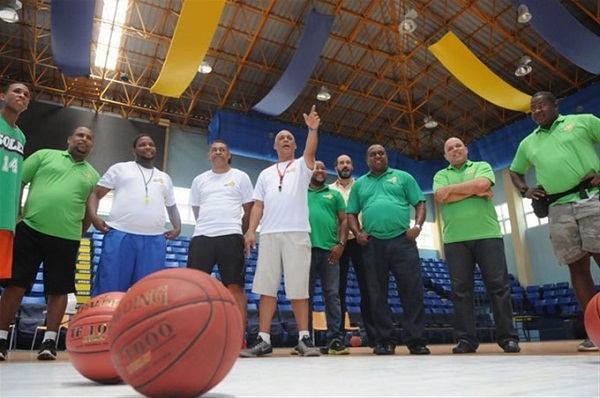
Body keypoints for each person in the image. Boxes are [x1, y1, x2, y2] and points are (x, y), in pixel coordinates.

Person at [509, 91, 600, 352]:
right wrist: (524, 190)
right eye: (532, 108)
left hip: (590, 198)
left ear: (555, 106)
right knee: (577, 268)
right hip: (557, 208)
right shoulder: (528, 143)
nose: (537, 111)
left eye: (541, 105)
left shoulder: (582, 121)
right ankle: (595, 331)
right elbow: (515, 171)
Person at [0, 126, 99, 361]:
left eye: (88, 137)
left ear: (92, 145)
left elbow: (89, 211)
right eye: (80, 135)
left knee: (59, 289)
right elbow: (18, 181)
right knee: (16, 285)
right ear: (69, 138)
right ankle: (1, 338)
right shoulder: (44, 155)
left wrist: (77, 232)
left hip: (66, 238)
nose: (84, 140)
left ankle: (50, 342)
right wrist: (17, 215)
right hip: (30, 230)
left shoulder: (93, 176)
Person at [240, 105, 321, 357]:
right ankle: (263, 340)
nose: (285, 140)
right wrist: (251, 231)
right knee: (266, 288)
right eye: (280, 138)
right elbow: (258, 205)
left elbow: (311, 150)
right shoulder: (264, 174)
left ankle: (304, 339)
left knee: (299, 288)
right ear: (274, 147)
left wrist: (311, 129)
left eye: (289, 138)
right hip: (270, 234)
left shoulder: (303, 165)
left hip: (297, 233)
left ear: (295, 146)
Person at [433, 137, 520, 354]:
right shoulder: (440, 175)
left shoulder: (482, 167)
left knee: (498, 288)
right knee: (461, 292)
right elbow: (441, 196)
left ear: (466, 149)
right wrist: (473, 190)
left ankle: (508, 338)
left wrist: (458, 191)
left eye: (458, 146)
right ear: (445, 156)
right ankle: (466, 341)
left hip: (487, 235)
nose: (455, 150)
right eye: (450, 149)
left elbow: (482, 184)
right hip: (455, 240)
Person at [346, 144, 429, 355]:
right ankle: (385, 341)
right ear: (367, 160)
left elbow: (420, 203)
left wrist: (417, 227)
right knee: (376, 294)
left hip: (403, 242)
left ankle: (417, 341)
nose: (377, 156)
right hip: (373, 243)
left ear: (386, 157)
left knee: (411, 292)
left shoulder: (403, 177)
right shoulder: (359, 184)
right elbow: (351, 214)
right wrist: (357, 234)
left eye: (381, 153)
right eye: (372, 154)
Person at [87, 134, 182, 297]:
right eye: (142, 144)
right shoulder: (120, 168)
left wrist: (178, 226)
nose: (147, 147)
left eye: (151, 144)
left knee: (149, 292)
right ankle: (107, 322)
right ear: (134, 150)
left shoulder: (164, 178)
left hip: (154, 239)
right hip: (121, 234)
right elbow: (96, 194)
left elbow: (172, 206)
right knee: (111, 287)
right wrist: (94, 217)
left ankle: (143, 323)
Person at [187, 140, 254, 340]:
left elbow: (249, 210)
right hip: (202, 237)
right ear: (209, 155)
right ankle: (193, 336)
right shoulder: (199, 180)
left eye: (222, 150)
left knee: (235, 287)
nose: (218, 152)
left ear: (229, 155)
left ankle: (238, 338)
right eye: (214, 150)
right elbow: (196, 210)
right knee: (195, 288)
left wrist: (238, 231)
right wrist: (208, 226)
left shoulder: (241, 177)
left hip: (230, 236)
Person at [329, 154, 376, 345]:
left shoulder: (362, 186)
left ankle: (374, 336)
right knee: (336, 291)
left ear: (353, 166)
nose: (345, 165)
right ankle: (337, 338)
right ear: (336, 167)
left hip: (361, 241)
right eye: (341, 162)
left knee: (368, 289)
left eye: (348, 162)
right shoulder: (329, 189)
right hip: (338, 243)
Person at [307, 160, 349, 355]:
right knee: (304, 297)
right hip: (304, 251)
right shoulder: (300, 193)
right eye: (316, 167)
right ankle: (305, 339)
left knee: (332, 295)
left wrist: (341, 244)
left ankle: (335, 340)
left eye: (323, 167)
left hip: (330, 252)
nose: (320, 170)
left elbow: (344, 221)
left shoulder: (335, 194)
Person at [0, 82, 30, 280]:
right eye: (17, 91)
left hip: (6, 217)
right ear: (3, 96)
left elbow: (18, 177)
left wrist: (17, 211)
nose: (22, 96)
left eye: (26, 94)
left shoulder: (21, 137)